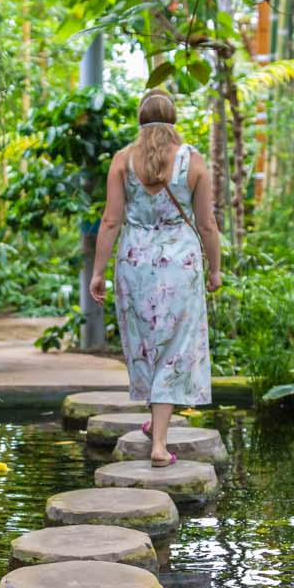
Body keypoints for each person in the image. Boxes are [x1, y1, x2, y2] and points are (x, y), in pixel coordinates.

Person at [88, 90, 219, 466]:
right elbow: (206, 223)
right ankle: (160, 444)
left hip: (135, 264)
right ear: (174, 119)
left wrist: (98, 272)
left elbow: (111, 221)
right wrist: (216, 268)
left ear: (140, 120)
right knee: (175, 346)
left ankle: (154, 427)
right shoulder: (193, 162)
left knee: (147, 343)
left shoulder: (123, 160)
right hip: (180, 265)